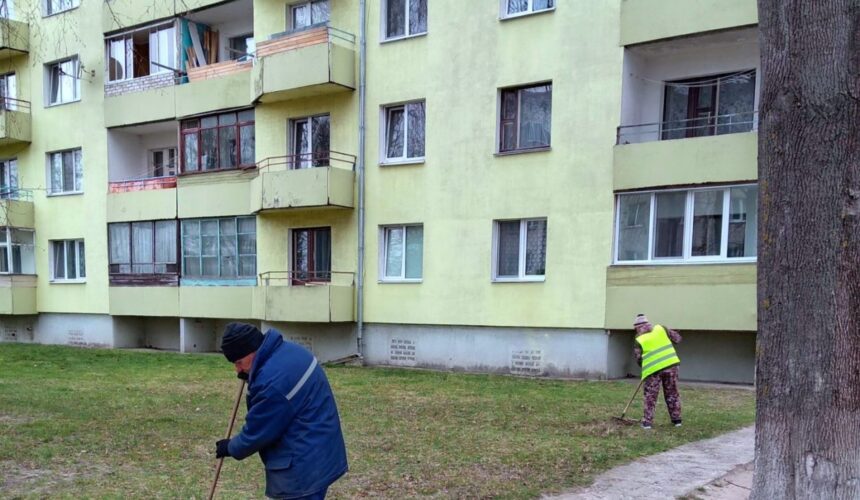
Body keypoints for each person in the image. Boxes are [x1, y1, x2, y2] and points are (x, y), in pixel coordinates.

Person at [214, 322, 348, 499]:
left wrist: (230, 447)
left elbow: (257, 431)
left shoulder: (272, 383)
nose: (237, 369)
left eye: (239, 362)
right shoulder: (290, 351)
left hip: (302, 469)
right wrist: (252, 374)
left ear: (253, 350)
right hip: (320, 450)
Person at [632, 313, 682, 430]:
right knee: (672, 393)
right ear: (648, 324)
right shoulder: (661, 329)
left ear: (636, 327)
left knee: (650, 396)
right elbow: (678, 339)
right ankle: (677, 420)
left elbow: (639, 360)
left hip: (653, 370)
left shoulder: (638, 340)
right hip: (671, 366)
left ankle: (647, 423)